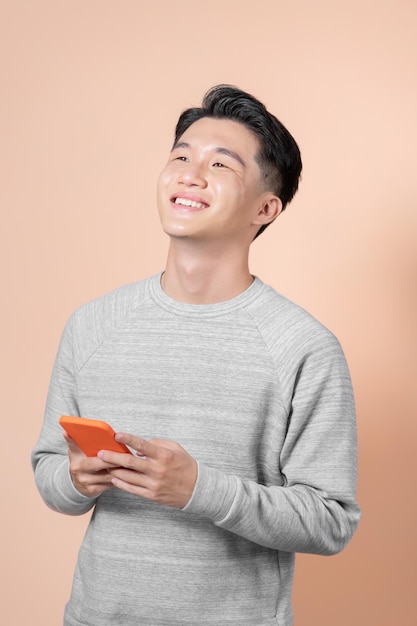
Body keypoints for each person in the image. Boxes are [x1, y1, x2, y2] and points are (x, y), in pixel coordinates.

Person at [32, 85, 361, 626]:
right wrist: (75, 479)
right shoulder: (92, 325)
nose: (189, 173)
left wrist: (198, 490)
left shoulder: (303, 346)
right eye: (181, 156)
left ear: (266, 207)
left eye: (220, 164)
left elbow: (330, 522)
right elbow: (51, 472)